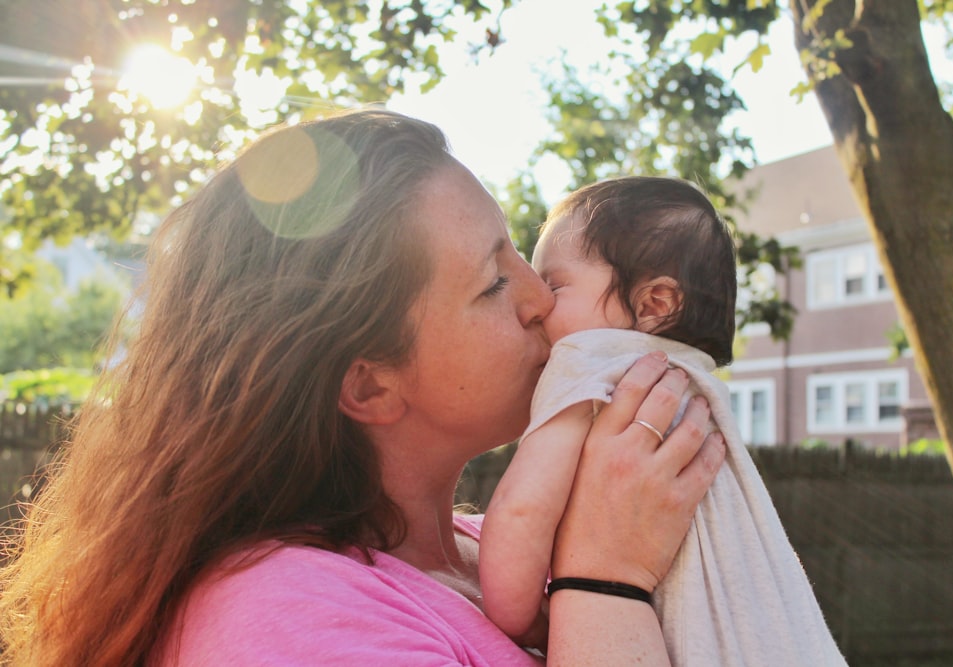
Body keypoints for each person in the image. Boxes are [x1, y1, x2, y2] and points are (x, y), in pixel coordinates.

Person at [0, 109, 727, 666]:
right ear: (370, 385)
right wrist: (608, 580)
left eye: (518, 250)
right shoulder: (289, 618)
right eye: (495, 280)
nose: (543, 297)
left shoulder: (489, 546)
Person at [480, 176, 847, 665]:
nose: (540, 304)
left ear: (653, 304)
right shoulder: (699, 388)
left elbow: (521, 510)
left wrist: (524, 617)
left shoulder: (588, 360)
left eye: (555, 284)